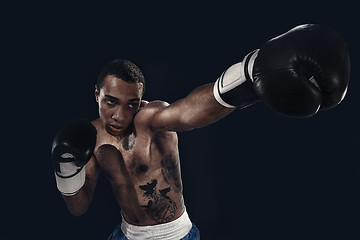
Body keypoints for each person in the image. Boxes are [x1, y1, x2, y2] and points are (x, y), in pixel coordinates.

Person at [51, 24, 350, 240]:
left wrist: (248, 74)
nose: (120, 115)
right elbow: (78, 207)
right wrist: (66, 169)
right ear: (96, 95)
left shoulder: (150, 118)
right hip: (126, 235)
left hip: (174, 236)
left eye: (132, 104)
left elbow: (189, 112)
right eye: (111, 102)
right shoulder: (87, 137)